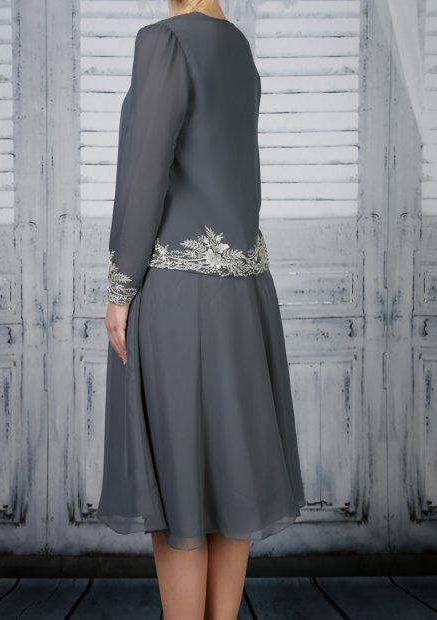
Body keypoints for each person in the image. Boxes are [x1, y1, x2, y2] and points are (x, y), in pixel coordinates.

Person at [97, 0, 306, 617]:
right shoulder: (237, 47)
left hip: (177, 295)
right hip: (245, 295)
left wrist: (119, 287)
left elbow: (145, 174)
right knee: (231, 476)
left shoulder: (163, 41)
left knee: (179, 484)